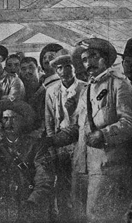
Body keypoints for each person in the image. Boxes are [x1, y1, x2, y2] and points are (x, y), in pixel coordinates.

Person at [45, 37, 132, 222]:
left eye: (94, 56)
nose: (89, 63)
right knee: (80, 216)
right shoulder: (88, 89)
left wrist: (103, 134)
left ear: (105, 58)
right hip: (81, 167)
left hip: (107, 168)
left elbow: (128, 122)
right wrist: (52, 140)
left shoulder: (119, 84)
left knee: (101, 217)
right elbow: (78, 127)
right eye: (85, 59)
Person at [0, 99, 55, 222]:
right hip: (4, 205)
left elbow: (44, 180)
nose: (9, 123)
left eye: (14, 118)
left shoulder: (36, 146)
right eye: (5, 118)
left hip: (29, 203)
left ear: (23, 121)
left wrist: (31, 202)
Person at [45, 49, 86, 222]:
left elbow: (86, 119)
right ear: (56, 71)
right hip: (60, 142)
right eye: (60, 67)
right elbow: (49, 121)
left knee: (78, 183)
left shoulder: (85, 88)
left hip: (79, 142)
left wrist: (73, 110)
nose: (65, 71)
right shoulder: (51, 91)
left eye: (68, 66)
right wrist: (52, 145)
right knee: (61, 182)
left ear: (74, 67)